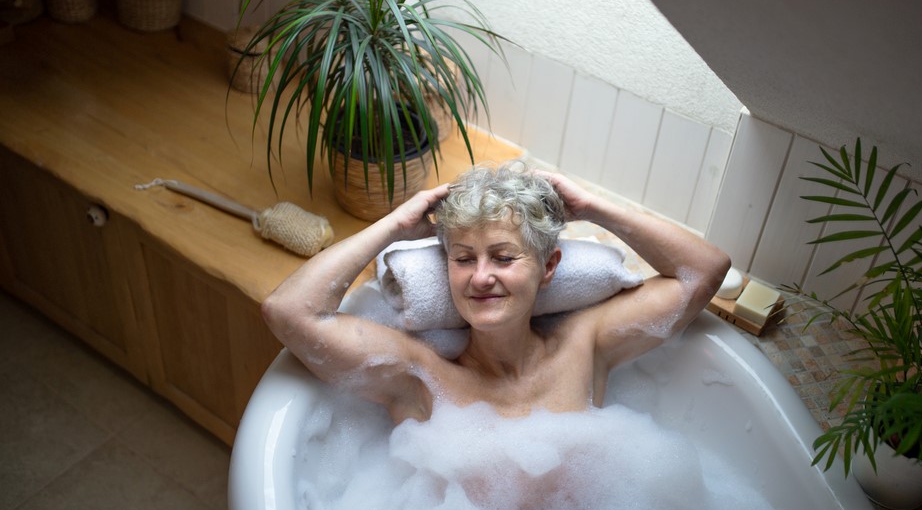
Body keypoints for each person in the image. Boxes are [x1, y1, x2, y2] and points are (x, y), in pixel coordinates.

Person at [261, 164, 731, 425]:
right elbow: (288, 311)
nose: (480, 277)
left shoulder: (585, 345)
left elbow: (703, 273)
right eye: (463, 259)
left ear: (548, 267)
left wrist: (593, 208)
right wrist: (396, 227)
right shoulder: (421, 377)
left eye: (503, 258)